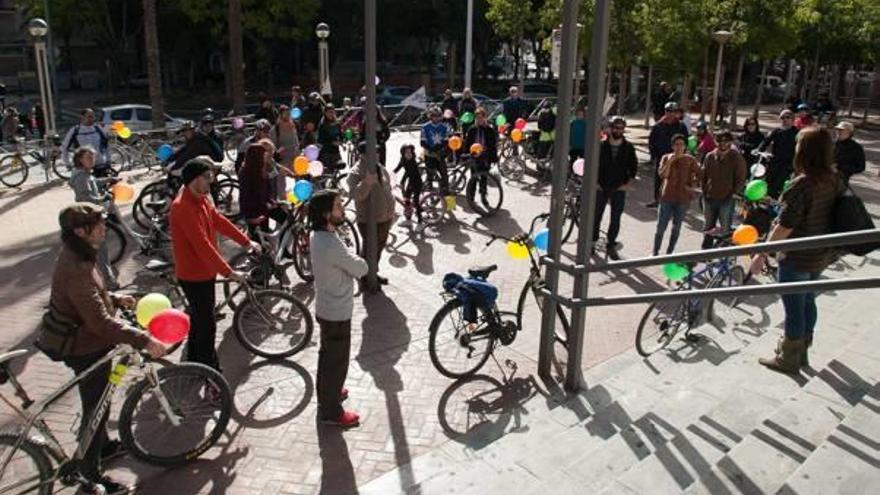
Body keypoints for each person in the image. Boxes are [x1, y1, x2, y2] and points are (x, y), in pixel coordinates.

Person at [48, 202, 166, 494]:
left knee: (98, 403)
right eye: (98, 224)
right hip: (84, 345)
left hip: (88, 339)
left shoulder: (80, 255)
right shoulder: (76, 266)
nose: (104, 228)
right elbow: (99, 322)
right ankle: (90, 477)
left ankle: (101, 446)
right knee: (95, 408)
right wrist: (143, 339)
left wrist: (113, 297)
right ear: (80, 231)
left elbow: (90, 298)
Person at [750, 126, 844, 373]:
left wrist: (761, 254)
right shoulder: (834, 178)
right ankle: (802, 350)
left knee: (793, 308)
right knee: (808, 300)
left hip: (797, 257)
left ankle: (788, 358)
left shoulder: (803, 184)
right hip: (820, 254)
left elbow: (785, 226)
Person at [169, 158, 260, 373]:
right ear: (194, 180)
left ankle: (193, 361)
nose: (211, 181)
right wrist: (228, 272)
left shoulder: (201, 199)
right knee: (207, 327)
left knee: (200, 320)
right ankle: (210, 374)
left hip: (205, 272)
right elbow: (202, 245)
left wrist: (246, 241)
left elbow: (219, 221)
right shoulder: (182, 207)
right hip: (193, 275)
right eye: (207, 177)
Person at [309, 190, 368, 428]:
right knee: (336, 361)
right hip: (336, 310)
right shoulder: (329, 243)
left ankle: (328, 392)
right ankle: (332, 411)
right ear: (326, 214)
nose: (342, 209)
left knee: (327, 356)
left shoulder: (320, 235)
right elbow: (360, 268)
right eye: (337, 206)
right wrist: (356, 260)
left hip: (327, 306)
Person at [69, 146, 119, 288]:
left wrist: (107, 179)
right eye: (88, 158)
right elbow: (86, 198)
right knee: (101, 253)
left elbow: (93, 182)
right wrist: (104, 197)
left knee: (95, 252)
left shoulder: (85, 174)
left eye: (93, 157)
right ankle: (109, 283)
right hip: (91, 219)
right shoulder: (81, 177)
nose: (92, 160)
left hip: (92, 218)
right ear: (80, 160)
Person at [347, 144, 395, 286]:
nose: (378, 154)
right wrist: (366, 183)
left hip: (384, 217)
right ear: (363, 154)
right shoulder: (356, 171)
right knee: (369, 250)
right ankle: (365, 276)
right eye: (374, 152)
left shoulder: (379, 167)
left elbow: (388, 188)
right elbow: (355, 194)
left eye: (378, 151)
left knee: (378, 248)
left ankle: (372, 273)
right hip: (369, 219)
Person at [594, 116, 637, 260]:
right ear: (610, 128)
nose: (619, 130)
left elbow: (633, 167)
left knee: (616, 218)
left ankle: (611, 245)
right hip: (600, 187)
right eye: (616, 127)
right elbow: (592, 165)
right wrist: (595, 182)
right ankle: (592, 243)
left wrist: (627, 184)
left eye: (621, 128)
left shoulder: (628, 147)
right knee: (595, 217)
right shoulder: (600, 145)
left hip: (619, 188)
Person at [653, 134, 701, 256]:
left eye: (681, 144)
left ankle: (669, 252)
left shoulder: (690, 160)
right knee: (660, 227)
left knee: (676, 228)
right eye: (676, 144)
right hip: (667, 197)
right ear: (672, 146)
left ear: (685, 146)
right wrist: (670, 160)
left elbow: (701, 175)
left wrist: (693, 186)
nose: (679, 147)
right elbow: (663, 175)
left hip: (683, 199)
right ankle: (655, 252)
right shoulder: (666, 157)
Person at [700, 131, 747, 249]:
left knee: (725, 228)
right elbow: (703, 176)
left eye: (726, 141)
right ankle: (704, 254)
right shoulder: (710, 156)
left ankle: (724, 255)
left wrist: (733, 193)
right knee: (708, 227)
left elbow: (741, 178)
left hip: (726, 199)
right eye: (719, 140)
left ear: (731, 142)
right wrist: (704, 192)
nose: (723, 143)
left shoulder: (736, 157)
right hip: (710, 197)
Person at [238, 143, 289, 238]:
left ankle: (283, 250)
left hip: (265, 205)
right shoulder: (245, 173)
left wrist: (271, 201)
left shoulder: (263, 168)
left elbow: (267, 189)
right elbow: (246, 196)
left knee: (287, 221)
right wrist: (251, 217)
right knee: (260, 240)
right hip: (254, 210)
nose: (266, 156)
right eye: (264, 154)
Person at [647, 102, 689, 207]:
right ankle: (657, 199)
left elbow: (686, 141)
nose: (670, 114)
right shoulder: (658, 126)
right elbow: (652, 140)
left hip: (677, 157)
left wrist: (682, 154)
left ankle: (675, 200)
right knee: (659, 178)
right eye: (668, 111)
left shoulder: (681, 126)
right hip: (661, 157)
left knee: (677, 178)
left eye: (673, 111)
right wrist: (653, 155)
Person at [758, 109, 799, 198]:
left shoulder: (797, 132)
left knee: (778, 186)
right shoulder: (776, 131)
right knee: (767, 183)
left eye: (787, 117)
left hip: (787, 164)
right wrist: (759, 150)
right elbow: (766, 141)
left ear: (792, 119)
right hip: (774, 162)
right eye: (782, 118)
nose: (784, 119)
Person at [62, 108, 112, 177]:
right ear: (82, 117)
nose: (92, 119)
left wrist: (108, 159)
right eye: (89, 116)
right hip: (84, 168)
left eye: (93, 116)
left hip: (100, 164)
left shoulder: (98, 128)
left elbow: (107, 144)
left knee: (103, 185)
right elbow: (64, 147)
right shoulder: (75, 130)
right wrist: (67, 163)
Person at [464, 107, 499, 205]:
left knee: (483, 178)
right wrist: (464, 154)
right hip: (474, 157)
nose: (479, 120)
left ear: (485, 118)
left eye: (481, 117)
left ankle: (483, 196)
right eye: (477, 118)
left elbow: (493, 145)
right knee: (473, 178)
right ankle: (471, 197)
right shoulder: (472, 129)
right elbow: (467, 143)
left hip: (485, 157)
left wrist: (494, 158)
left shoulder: (489, 130)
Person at [421, 106, 451, 195]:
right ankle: (429, 199)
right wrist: (431, 149)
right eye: (434, 115)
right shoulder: (425, 127)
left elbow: (446, 141)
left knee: (445, 177)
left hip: (440, 155)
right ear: (430, 116)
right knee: (430, 177)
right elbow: (422, 142)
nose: (436, 118)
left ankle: (449, 202)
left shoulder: (444, 127)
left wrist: (440, 149)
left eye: (438, 115)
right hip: (429, 155)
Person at [271, 105, 300, 196]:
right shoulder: (275, 129)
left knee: (299, 180)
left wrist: (298, 151)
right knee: (281, 184)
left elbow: (296, 141)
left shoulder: (292, 125)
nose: (288, 115)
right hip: (283, 160)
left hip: (295, 157)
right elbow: (272, 146)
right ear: (280, 115)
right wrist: (277, 151)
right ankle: (282, 203)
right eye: (285, 113)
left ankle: (300, 200)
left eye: (289, 113)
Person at [394, 144, 424, 229]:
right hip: (411, 182)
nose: (409, 154)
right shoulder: (403, 160)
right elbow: (397, 169)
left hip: (417, 183)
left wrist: (402, 182)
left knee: (416, 201)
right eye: (406, 152)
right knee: (406, 199)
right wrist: (388, 175)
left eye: (410, 152)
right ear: (403, 153)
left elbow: (408, 173)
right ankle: (408, 220)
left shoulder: (413, 162)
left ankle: (420, 222)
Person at [833, 121, 865, 185]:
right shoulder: (831, 144)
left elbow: (860, 167)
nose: (838, 132)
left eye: (841, 130)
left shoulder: (856, 148)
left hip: (841, 181)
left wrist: (839, 167)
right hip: (823, 178)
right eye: (838, 129)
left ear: (849, 132)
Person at [318, 104, 344, 169]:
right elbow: (320, 140)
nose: (331, 114)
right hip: (326, 153)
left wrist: (341, 141)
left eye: (333, 112)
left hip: (336, 152)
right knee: (329, 171)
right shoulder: (323, 125)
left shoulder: (337, 123)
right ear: (325, 113)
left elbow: (340, 134)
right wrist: (332, 143)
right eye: (329, 112)